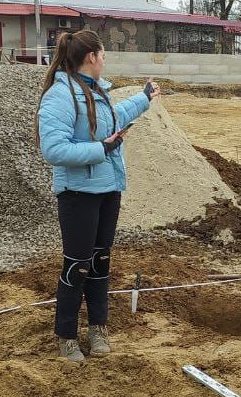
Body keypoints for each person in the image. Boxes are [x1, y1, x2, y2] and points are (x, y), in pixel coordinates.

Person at [37, 29, 161, 361]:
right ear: (92, 57)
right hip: (78, 193)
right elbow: (53, 149)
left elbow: (112, 119)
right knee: (77, 265)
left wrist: (144, 98)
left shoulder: (97, 92)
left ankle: (98, 329)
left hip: (107, 189)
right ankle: (66, 336)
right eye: (103, 55)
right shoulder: (60, 96)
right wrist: (101, 148)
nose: (104, 60)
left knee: (100, 262)